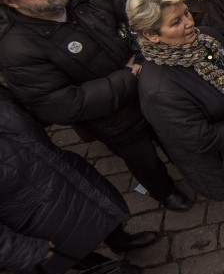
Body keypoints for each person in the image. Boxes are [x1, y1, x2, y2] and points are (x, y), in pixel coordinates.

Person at [0, 0, 191, 213]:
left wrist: (142, 54)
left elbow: (142, 15)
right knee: (143, 159)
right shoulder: (16, 49)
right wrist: (127, 76)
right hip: (114, 121)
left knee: (173, 137)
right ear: (9, 1)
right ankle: (164, 191)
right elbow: (61, 105)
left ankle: (189, 169)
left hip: (153, 93)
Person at [127, 0, 224, 224]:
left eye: (186, 13)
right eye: (176, 22)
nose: (189, 22)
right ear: (152, 35)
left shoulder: (207, 37)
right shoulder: (160, 91)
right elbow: (204, 139)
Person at [0, 88, 154, 274]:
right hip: (34, 216)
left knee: (100, 213)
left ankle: (119, 241)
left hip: (63, 175)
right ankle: (104, 267)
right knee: (71, 251)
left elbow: (28, 111)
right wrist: (23, 251)